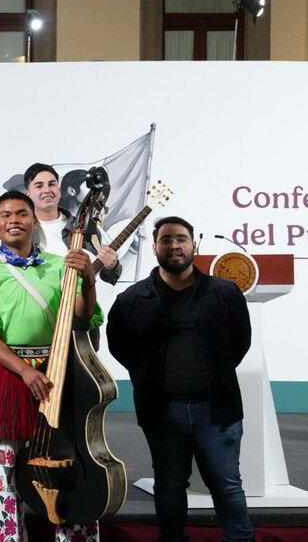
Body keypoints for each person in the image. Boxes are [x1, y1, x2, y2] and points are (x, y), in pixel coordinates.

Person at [0, 190, 101, 542]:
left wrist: (88, 280)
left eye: (22, 214)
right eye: (6, 215)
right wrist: (24, 370)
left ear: (34, 220)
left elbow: (84, 316)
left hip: (58, 373)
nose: (14, 220)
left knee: (66, 466)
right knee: (6, 472)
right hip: (7, 376)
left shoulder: (60, 265)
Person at [107, 216, 253, 542]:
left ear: (194, 244)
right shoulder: (132, 300)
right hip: (162, 412)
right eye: (166, 239)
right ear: (154, 247)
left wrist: (214, 371)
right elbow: (120, 346)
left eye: (181, 239)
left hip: (216, 410)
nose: (174, 245)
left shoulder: (225, 293)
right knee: (169, 485)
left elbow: (239, 342)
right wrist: (148, 375)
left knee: (227, 485)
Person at [23, 163, 121, 284]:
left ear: (59, 191)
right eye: (39, 186)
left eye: (52, 184)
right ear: (27, 195)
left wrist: (112, 266)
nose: (47, 190)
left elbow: (106, 279)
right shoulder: (21, 233)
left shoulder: (86, 227)